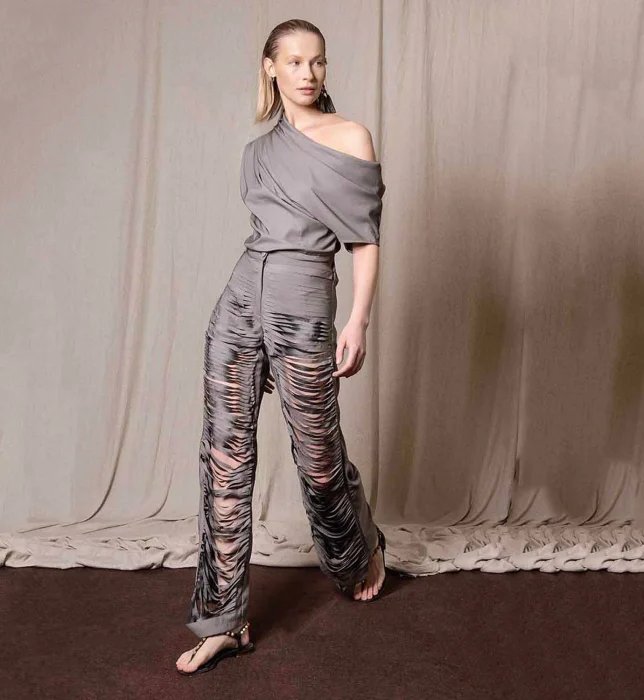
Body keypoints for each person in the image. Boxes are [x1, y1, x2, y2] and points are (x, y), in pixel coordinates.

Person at [176, 19, 388, 676]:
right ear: (270, 67)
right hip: (241, 303)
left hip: (305, 303)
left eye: (317, 62)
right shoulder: (257, 152)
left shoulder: (350, 137)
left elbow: (364, 241)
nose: (307, 73)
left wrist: (358, 321)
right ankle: (223, 619)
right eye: (293, 62)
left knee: (319, 461)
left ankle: (358, 551)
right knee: (224, 462)